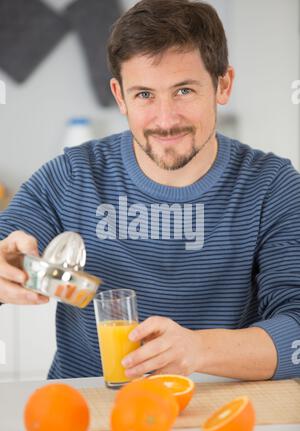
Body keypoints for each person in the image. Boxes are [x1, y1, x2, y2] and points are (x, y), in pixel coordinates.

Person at [0, 0, 299, 382]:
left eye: (184, 91)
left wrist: (200, 350)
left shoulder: (273, 187)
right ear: (120, 95)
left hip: (219, 410)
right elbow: (6, 250)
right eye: (144, 94)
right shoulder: (74, 175)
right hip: (85, 410)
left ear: (222, 85)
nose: (165, 119)